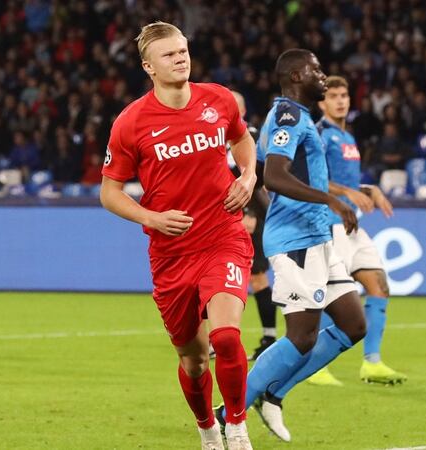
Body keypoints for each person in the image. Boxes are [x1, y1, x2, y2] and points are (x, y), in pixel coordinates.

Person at [100, 22, 256, 450]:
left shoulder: (219, 99)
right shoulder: (131, 122)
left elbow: (242, 139)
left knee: (226, 337)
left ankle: (238, 427)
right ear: (149, 66)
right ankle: (207, 428)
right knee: (193, 358)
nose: (181, 58)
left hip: (223, 235)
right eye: (169, 55)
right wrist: (150, 217)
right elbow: (109, 193)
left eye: (183, 50)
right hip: (171, 254)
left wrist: (248, 174)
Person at [238, 49, 367, 443]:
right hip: (296, 242)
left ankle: (274, 394)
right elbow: (274, 176)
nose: (323, 75)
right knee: (302, 336)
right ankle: (230, 411)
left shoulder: (301, 117)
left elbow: (263, 176)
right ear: (296, 75)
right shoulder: (288, 116)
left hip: (317, 238)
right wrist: (329, 199)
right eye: (316, 69)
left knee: (352, 324)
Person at [307, 75, 407, 386]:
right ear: (322, 103)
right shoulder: (319, 134)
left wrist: (368, 188)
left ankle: (372, 363)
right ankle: (316, 364)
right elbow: (311, 179)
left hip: (351, 225)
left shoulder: (347, 138)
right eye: (333, 96)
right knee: (330, 294)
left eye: (344, 96)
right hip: (329, 222)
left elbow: (347, 184)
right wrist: (348, 194)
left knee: (379, 285)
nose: (340, 101)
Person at [228, 91, 277, 360]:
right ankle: (214, 340)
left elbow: (256, 175)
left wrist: (248, 210)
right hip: (219, 216)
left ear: (243, 111)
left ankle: (269, 335)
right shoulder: (212, 137)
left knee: (258, 278)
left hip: (250, 215)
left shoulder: (252, 136)